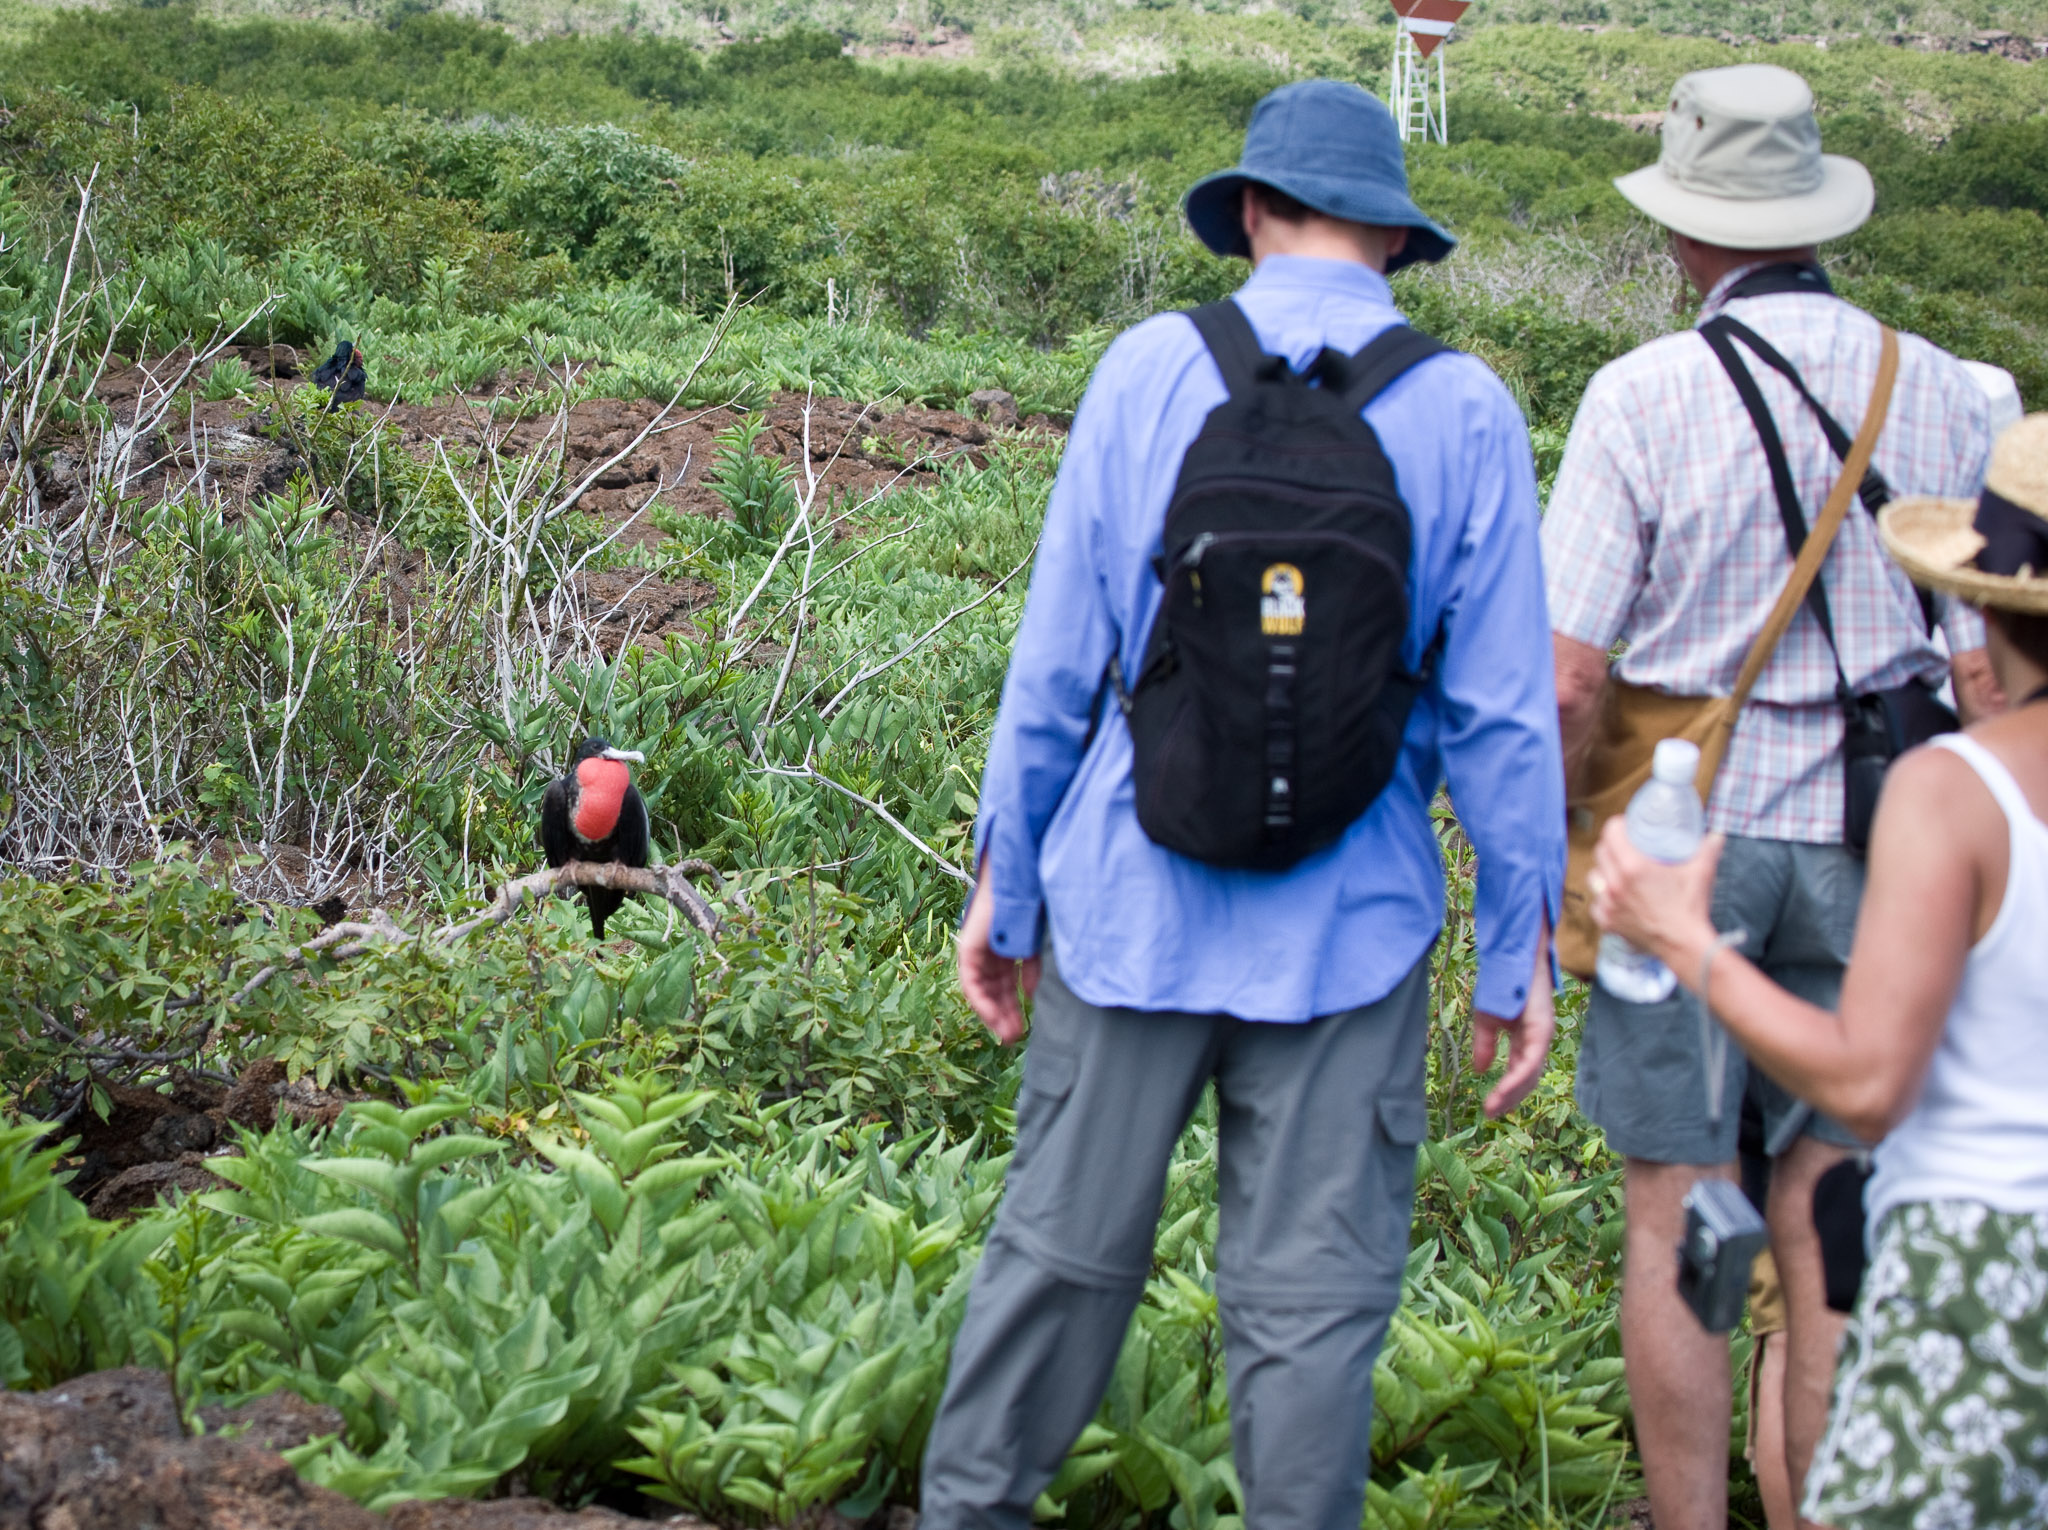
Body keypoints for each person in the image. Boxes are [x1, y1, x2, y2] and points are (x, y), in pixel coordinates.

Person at [920, 79, 1565, 1530]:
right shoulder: (1464, 409)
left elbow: (1056, 669)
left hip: (1132, 898)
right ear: (1395, 241)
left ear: (1253, 218)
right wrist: (1520, 954)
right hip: (1355, 922)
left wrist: (1006, 889)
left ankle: (971, 1513)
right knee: (1311, 1312)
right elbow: (1507, 722)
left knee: (1059, 1260)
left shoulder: (1149, 369)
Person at [1541, 63, 2003, 1530]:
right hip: (1892, 837)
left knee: (1676, 1200)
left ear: (1685, 236)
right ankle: (1816, 1503)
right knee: (1831, 1206)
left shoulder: (1641, 394)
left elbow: (1565, 678)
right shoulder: (1948, 387)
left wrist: (1562, 861)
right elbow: (1988, 662)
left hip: (1682, 844)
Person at [1592, 413, 2048, 1530]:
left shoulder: (1955, 790)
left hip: (1977, 1273)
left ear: (1980, 604)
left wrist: (1685, 942)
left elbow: (1863, 1083)